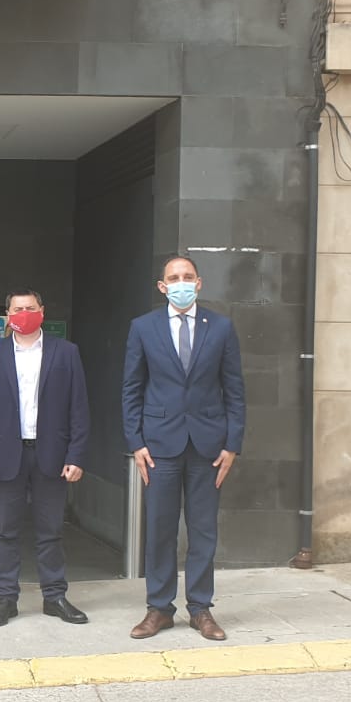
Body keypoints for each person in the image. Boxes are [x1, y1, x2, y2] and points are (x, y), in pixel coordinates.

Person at [122, 254, 246, 642]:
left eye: (187, 276)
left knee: (203, 530)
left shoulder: (220, 327)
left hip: (209, 445)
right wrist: (136, 442)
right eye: (173, 278)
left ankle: (200, 608)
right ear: (162, 287)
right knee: (159, 529)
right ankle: (159, 608)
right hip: (159, 445)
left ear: (199, 283)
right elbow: (131, 389)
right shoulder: (143, 327)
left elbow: (235, 390)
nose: (181, 283)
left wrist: (232, 444)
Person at [0, 288, 91, 628]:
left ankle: (54, 596)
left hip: (52, 453)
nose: (24, 313)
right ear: (8, 315)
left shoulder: (66, 352)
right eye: (18, 309)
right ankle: (5, 598)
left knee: (51, 530)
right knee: (6, 531)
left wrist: (77, 454)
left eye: (30, 307)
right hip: (5, 455)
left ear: (42, 311)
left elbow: (79, 407)